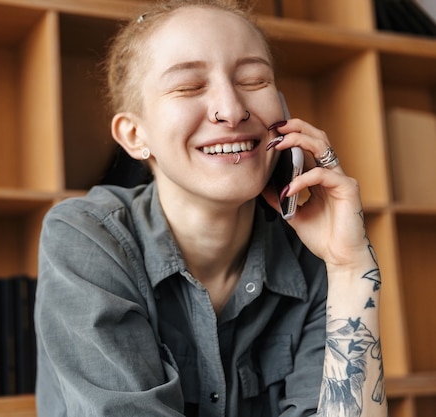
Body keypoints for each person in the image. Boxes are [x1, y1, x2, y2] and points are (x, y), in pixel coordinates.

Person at [34, 1, 388, 416]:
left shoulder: (313, 256)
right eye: (189, 86)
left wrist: (349, 269)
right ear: (133, 135)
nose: (233, 110)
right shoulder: (85, 238)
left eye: (254, 80)